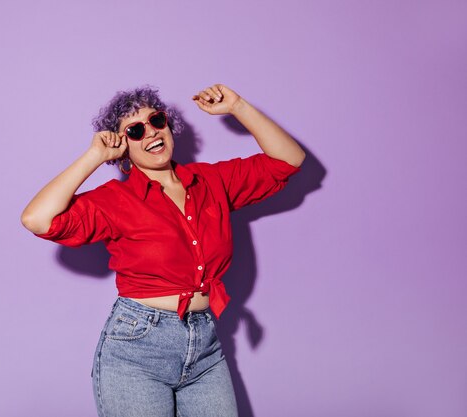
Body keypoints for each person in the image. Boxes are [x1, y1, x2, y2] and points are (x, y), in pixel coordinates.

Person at [21, 84, 305, 417]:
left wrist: (239, 106)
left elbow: (289, 160)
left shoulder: (211, 180)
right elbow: (37, 219)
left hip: (205, 345)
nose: (151, 133)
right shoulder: (116, 201)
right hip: (136, 351)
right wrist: (94, 157)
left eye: (156, 120)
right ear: (122, 145)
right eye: (135, 130)